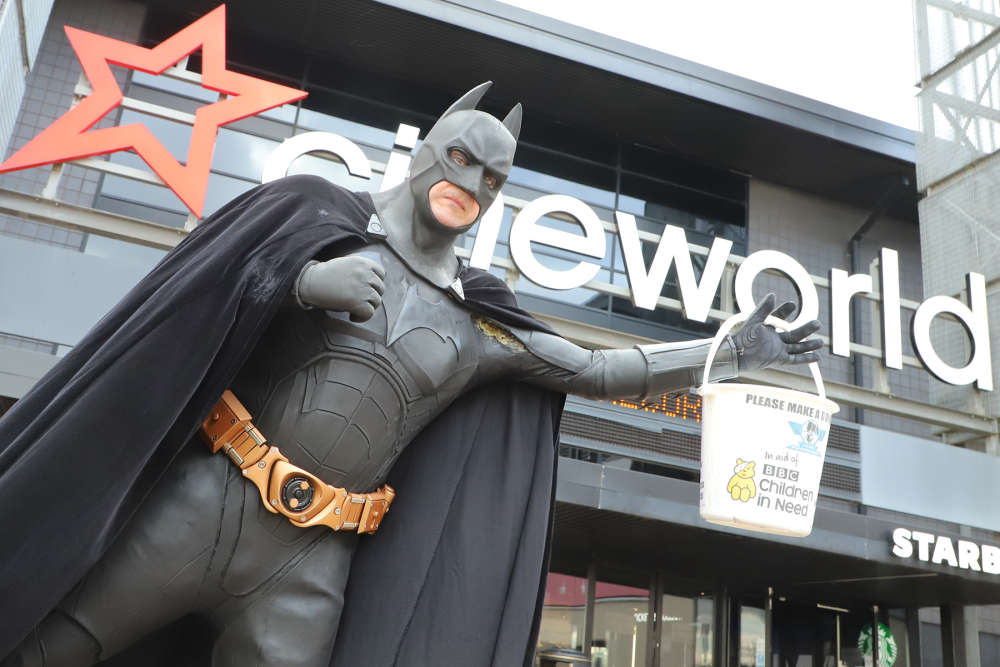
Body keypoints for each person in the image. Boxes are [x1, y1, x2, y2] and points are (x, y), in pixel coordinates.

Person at [0, 82, 820, 667]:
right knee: (44, 643)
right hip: (204, 500)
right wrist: (299, 281)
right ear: (428, 145)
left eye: (490, 177)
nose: (468, 183)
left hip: (308, 559)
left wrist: (728, 354)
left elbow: (604, 368)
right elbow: (212, 287)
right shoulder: (317, 219)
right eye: (461, 157)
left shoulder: (484, 319)